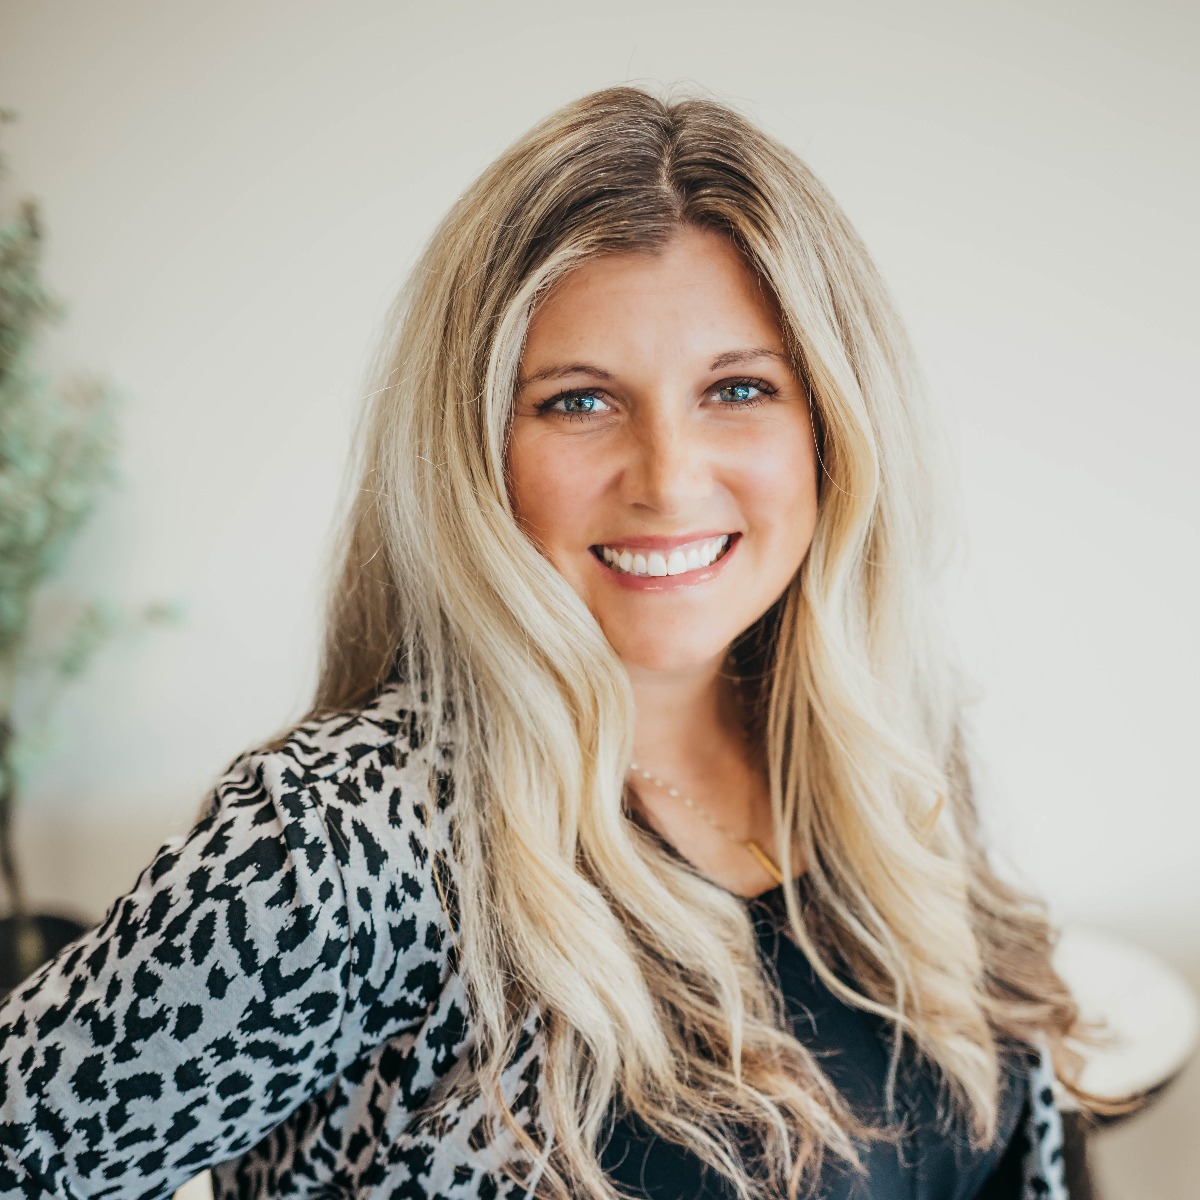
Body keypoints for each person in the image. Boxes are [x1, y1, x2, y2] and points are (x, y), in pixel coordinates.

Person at [0, 86, 1090, 1200]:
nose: (667, 478)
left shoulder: (887, 746)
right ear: (473, 448)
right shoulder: (341, 848)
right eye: (578, 402)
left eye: (739, 388)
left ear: (837, 429)